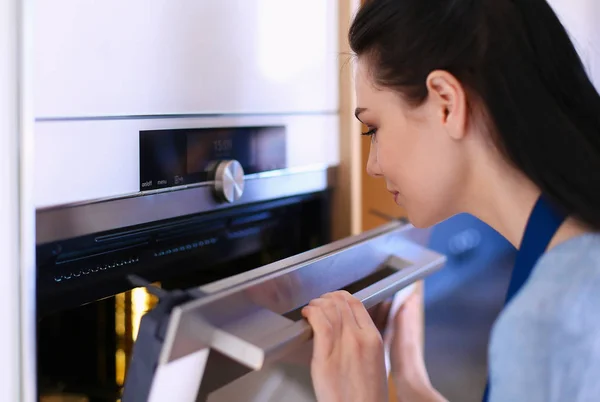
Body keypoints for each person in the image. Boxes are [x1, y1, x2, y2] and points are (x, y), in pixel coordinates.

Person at [300, 0, 600, 401]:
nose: (372, 165)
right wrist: (409, 377)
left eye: (373, 128)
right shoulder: (568, 254)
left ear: (446, 102)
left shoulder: (549, 320)